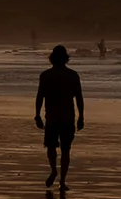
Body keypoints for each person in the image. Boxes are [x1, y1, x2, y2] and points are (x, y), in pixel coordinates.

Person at [34, 45, 85, 189]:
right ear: (65, 59)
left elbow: (40, 97)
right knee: (66, 149)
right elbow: (79, 98)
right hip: (68, 117)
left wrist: (37, 115)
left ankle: (53, 170)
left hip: (51, 117)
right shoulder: (73, 75)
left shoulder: (46, 75)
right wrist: (81, 117)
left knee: (51, 147)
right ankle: (62, 181)